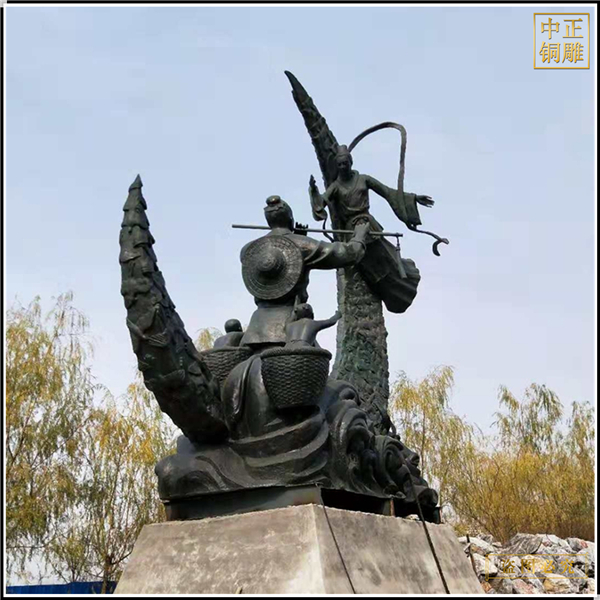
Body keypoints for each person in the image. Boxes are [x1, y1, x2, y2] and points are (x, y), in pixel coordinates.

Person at [308, 146, 431, 314]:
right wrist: (314, 193)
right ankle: (385, 292)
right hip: (353, 230)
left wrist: (413, 198)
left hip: (368, 225)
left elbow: (387, 191)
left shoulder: (364, 179)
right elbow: (321, 202)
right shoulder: (335, 186)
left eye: (345, 163)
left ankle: (401, 287)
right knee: (366, 267)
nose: (343, 167)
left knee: (386, 259)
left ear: (351, 163)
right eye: (340, 164)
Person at [239, 195, 370, 347]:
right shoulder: (302, 244)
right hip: (290, 328)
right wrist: (359, 235)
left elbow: (282, 263)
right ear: (290, 219)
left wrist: (296, 244)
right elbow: (348, 254)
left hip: (256, 330)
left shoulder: (247, 250)